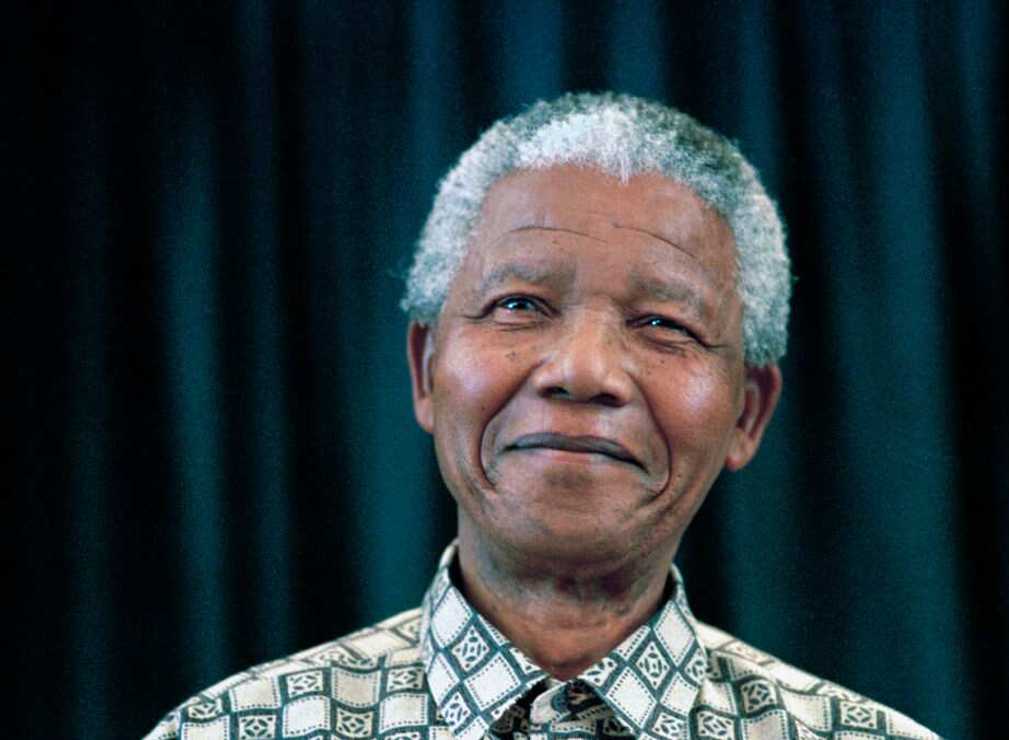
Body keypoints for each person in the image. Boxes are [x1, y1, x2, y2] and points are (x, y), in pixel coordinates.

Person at [145, 92, 940, 740]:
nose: (583, 372)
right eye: (520, 304)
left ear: (748, 414)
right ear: (426, 369)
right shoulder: (232, 731)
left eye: (663, 323)